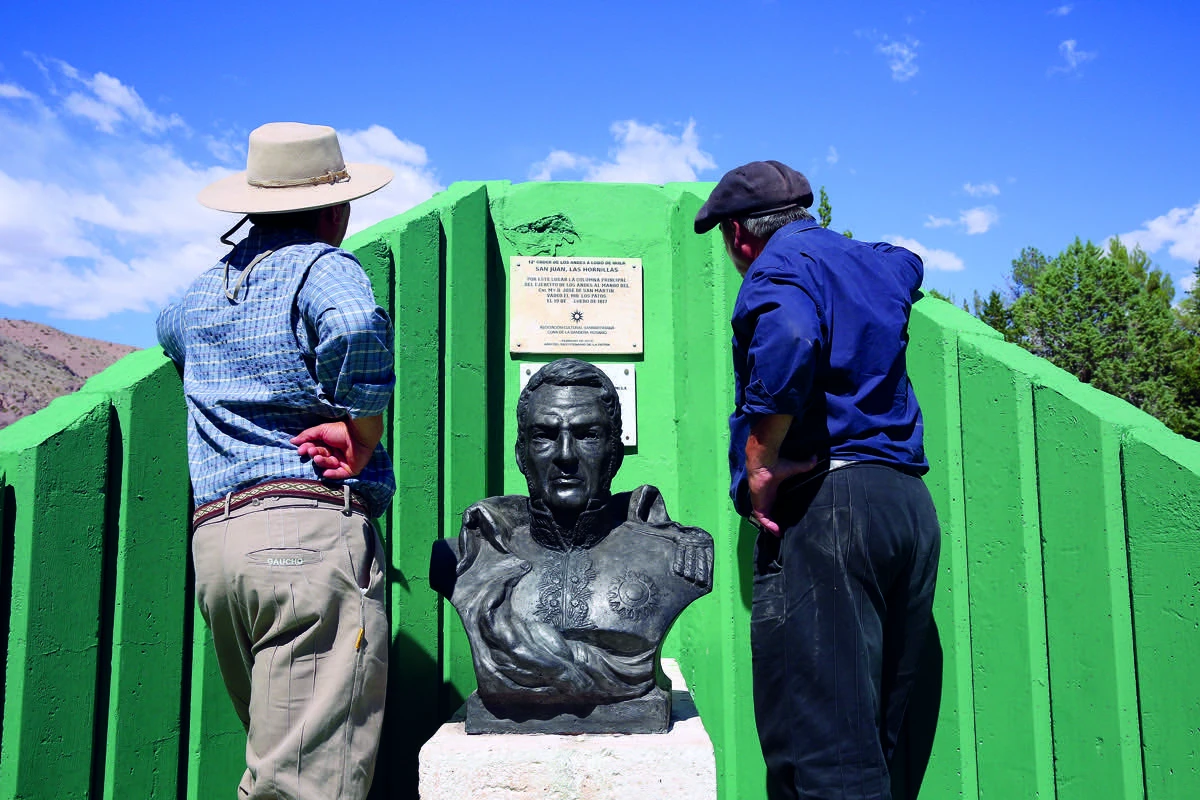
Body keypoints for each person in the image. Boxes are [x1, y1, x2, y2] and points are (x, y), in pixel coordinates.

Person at [157, 122, 396, 799]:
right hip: (305, 538)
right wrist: (363, 428)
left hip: (221, 549)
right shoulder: (324, 267)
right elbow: (352, 325)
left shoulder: (202, 292)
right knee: (302, 785)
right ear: (335, 208)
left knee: (279, 761)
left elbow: (165, 331)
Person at [694, 161, 941, 800]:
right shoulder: (874, 265)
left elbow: (792, 333)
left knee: (823, 748)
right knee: (880, 740)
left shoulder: (777, 269)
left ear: (739, 234)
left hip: (835, 511)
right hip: (906, 507)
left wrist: (759, 460)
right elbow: (909, 260)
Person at [430, 358, 713, 734]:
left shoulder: (672, 559)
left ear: (614, 452)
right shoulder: (468, 560)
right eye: (545, 435)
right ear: (521, 453)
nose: (565, 455)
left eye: (587, 434)